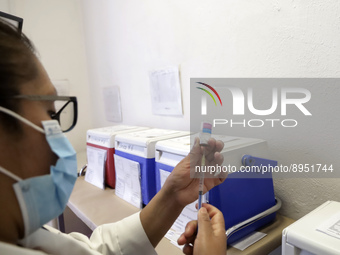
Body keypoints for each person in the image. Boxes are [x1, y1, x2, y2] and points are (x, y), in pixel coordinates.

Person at [0, 18, 227, 255]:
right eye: (50, 113)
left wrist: (172, 195)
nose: (61, 139)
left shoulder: (22, 234)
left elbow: (98, 251)